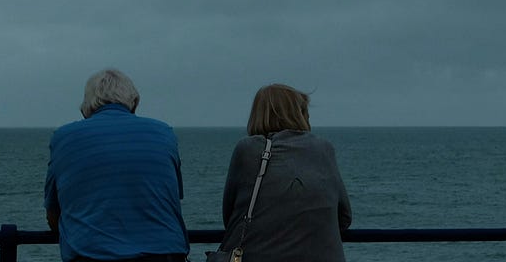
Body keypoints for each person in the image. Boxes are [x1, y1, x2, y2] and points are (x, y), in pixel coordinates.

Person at [44, 69, 189, 262]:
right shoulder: (164, 133)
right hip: (165, 254)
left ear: (86, 107)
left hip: (91, 256)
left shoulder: (64, 138)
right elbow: (171, 201)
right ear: (134, 102)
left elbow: (53, 214)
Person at [212, 84, 351, 262]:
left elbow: (231, 217)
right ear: (297, 114)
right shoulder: (325, 149)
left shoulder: (247, 150)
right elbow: (345, 217)